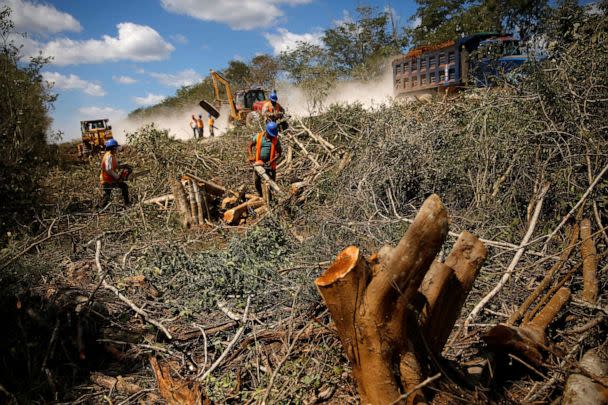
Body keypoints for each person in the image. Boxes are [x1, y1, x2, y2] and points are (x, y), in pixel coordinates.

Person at [247, 121, 282, 199]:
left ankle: (270, 199)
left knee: (271, 183)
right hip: (258, 164)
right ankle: (261, 196)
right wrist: (251, 156)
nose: (272, 136)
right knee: (257, 181)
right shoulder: (258, 136)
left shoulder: (276, 140)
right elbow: (250, 145)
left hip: (270, 165)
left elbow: (279, 153)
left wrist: (272, 161)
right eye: (271, 135)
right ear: (267, 131)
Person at [99, 139, 130, 207]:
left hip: (109, 179)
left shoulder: (111, 155)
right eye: (116, 147)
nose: (116, 149)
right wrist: (118, 177)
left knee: (123, 186)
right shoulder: (108, 156)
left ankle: (127, 203)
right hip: (107, 179)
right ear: (113, 148)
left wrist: (124, 166)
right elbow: (108, 169)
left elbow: (115, 166)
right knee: (107, 195)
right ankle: (100, 208)